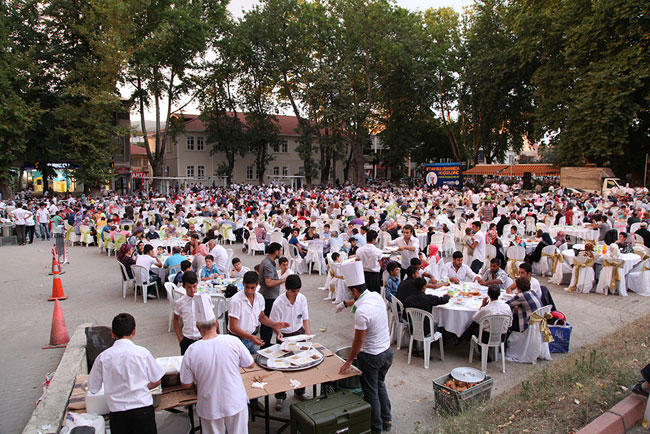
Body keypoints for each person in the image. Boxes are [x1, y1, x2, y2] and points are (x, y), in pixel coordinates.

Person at [180, 296, 254, 434]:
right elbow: (250, 364)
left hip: (210, 405)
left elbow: (186, 384)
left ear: (197, 327)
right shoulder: (233, 341)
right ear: (216, 323)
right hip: (235, 400)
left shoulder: (192, 350)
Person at [338, 261, 393, 434]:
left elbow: (358, 341)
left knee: (371, 392)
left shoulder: (361, 314)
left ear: (354, 290)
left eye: (350, 291)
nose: (349, 293)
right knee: (380, 384)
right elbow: (359, 301)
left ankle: (375, 428)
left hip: (372, 357)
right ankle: (387, 419)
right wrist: (346, 304)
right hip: (387, 353)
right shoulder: (375, 296)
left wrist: (349, 361)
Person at [87, 313, 164, 434]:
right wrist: (143, 386)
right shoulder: (142, 353)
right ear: (134, 331)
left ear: (112, 333)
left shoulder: (103, 357)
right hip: (142, 411)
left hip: (118, 415)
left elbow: (93, 388)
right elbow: (157, 380)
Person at [269, 275, 310, 409]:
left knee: (300, 364)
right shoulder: (278, 303)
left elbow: (305, 318)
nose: (296, 293)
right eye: (293, 291)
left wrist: (308, 334)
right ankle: (280, 396)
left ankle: (299, 391)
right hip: (284, 336)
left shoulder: (302, 299)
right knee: (282, 367)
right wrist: (278, 332)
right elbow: (273, 323)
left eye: (298, 290)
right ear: (286, 289)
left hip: (298, 333)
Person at [228, 270, 289, 354]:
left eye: (252, 288)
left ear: (257, 285)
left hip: (252, 338)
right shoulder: (236, 301)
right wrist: (251, 337)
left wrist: (274, 324)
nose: (249, 291)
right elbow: (233, 327)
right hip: (238, 340)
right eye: (247, 287)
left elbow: (262, 317)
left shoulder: (259, 298)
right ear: (243, 284)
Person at [258, 242, 287, 347]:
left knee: (269, 322)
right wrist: (282, 280)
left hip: (270, 295)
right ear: (276, 251)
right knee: (268, 322)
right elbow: (269, 282)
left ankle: (266, 342)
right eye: (280, 250)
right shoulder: (268, 264)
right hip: (268, 296)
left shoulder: (270, 262)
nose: (281, 253)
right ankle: (265, 344)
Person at [172, 271, 203, 355]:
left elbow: (213, 319)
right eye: (189, 287)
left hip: (202, 338)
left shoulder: (203, 299)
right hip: (187, 339)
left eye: (194, 286)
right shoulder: (180, 302)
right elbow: (175, 319)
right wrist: (180, 338)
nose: (192, 290)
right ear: (184, 287)